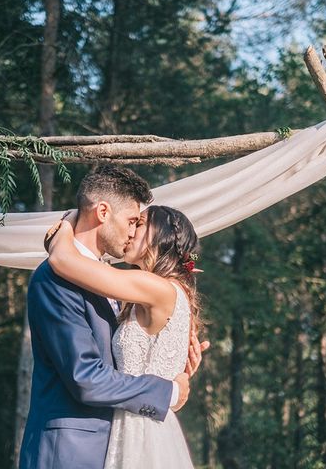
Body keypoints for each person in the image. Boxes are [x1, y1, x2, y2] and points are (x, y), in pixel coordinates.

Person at [19, 165, 206, 469]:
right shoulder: (55, 278)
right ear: (103, 212)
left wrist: (174, 375)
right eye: (132, 220)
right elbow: (85, 377)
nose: (132, 231)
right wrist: (168, 390)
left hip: (127, 440)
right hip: (70, 452)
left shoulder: (134, 287)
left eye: (139, 224)